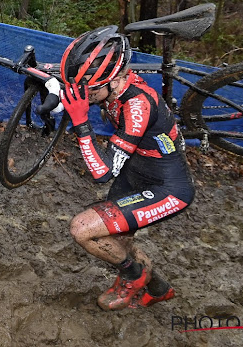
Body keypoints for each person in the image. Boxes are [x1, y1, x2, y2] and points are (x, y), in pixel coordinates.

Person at [48, 25, 195, 310]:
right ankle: (159, 288)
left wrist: (81, 124)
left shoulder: (138, 105)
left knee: (82, 229)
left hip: (167, 188)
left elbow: (102, 173)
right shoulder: (111, 85)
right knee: (117, 238)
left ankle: (133, 275)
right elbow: (65, 77)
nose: (82, 93)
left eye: (89, 89)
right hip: (137, 170)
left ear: (114, 81)